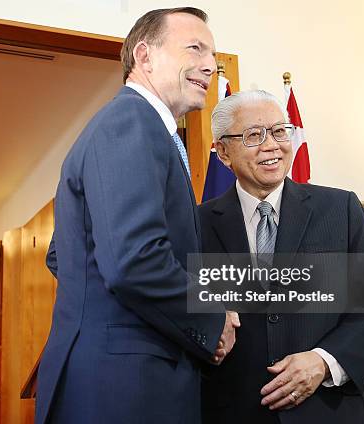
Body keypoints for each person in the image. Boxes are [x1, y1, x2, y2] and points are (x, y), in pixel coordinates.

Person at [35, 8, 238, 424]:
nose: (209, 66)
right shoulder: (132, 121)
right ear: (144, 57)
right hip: (125, 387)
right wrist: (211, 317)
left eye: (213, 56)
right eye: (195, 49)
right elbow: (134, 260)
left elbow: (65, 254)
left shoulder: (137, 127)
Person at [200, 90, 364, 424]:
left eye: (280, 131)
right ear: (222, 152)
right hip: (234, 411)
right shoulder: (196, 224)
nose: (271, 146)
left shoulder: (342, 210)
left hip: (331, 409)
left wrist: (325, 361)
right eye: (254, 135)